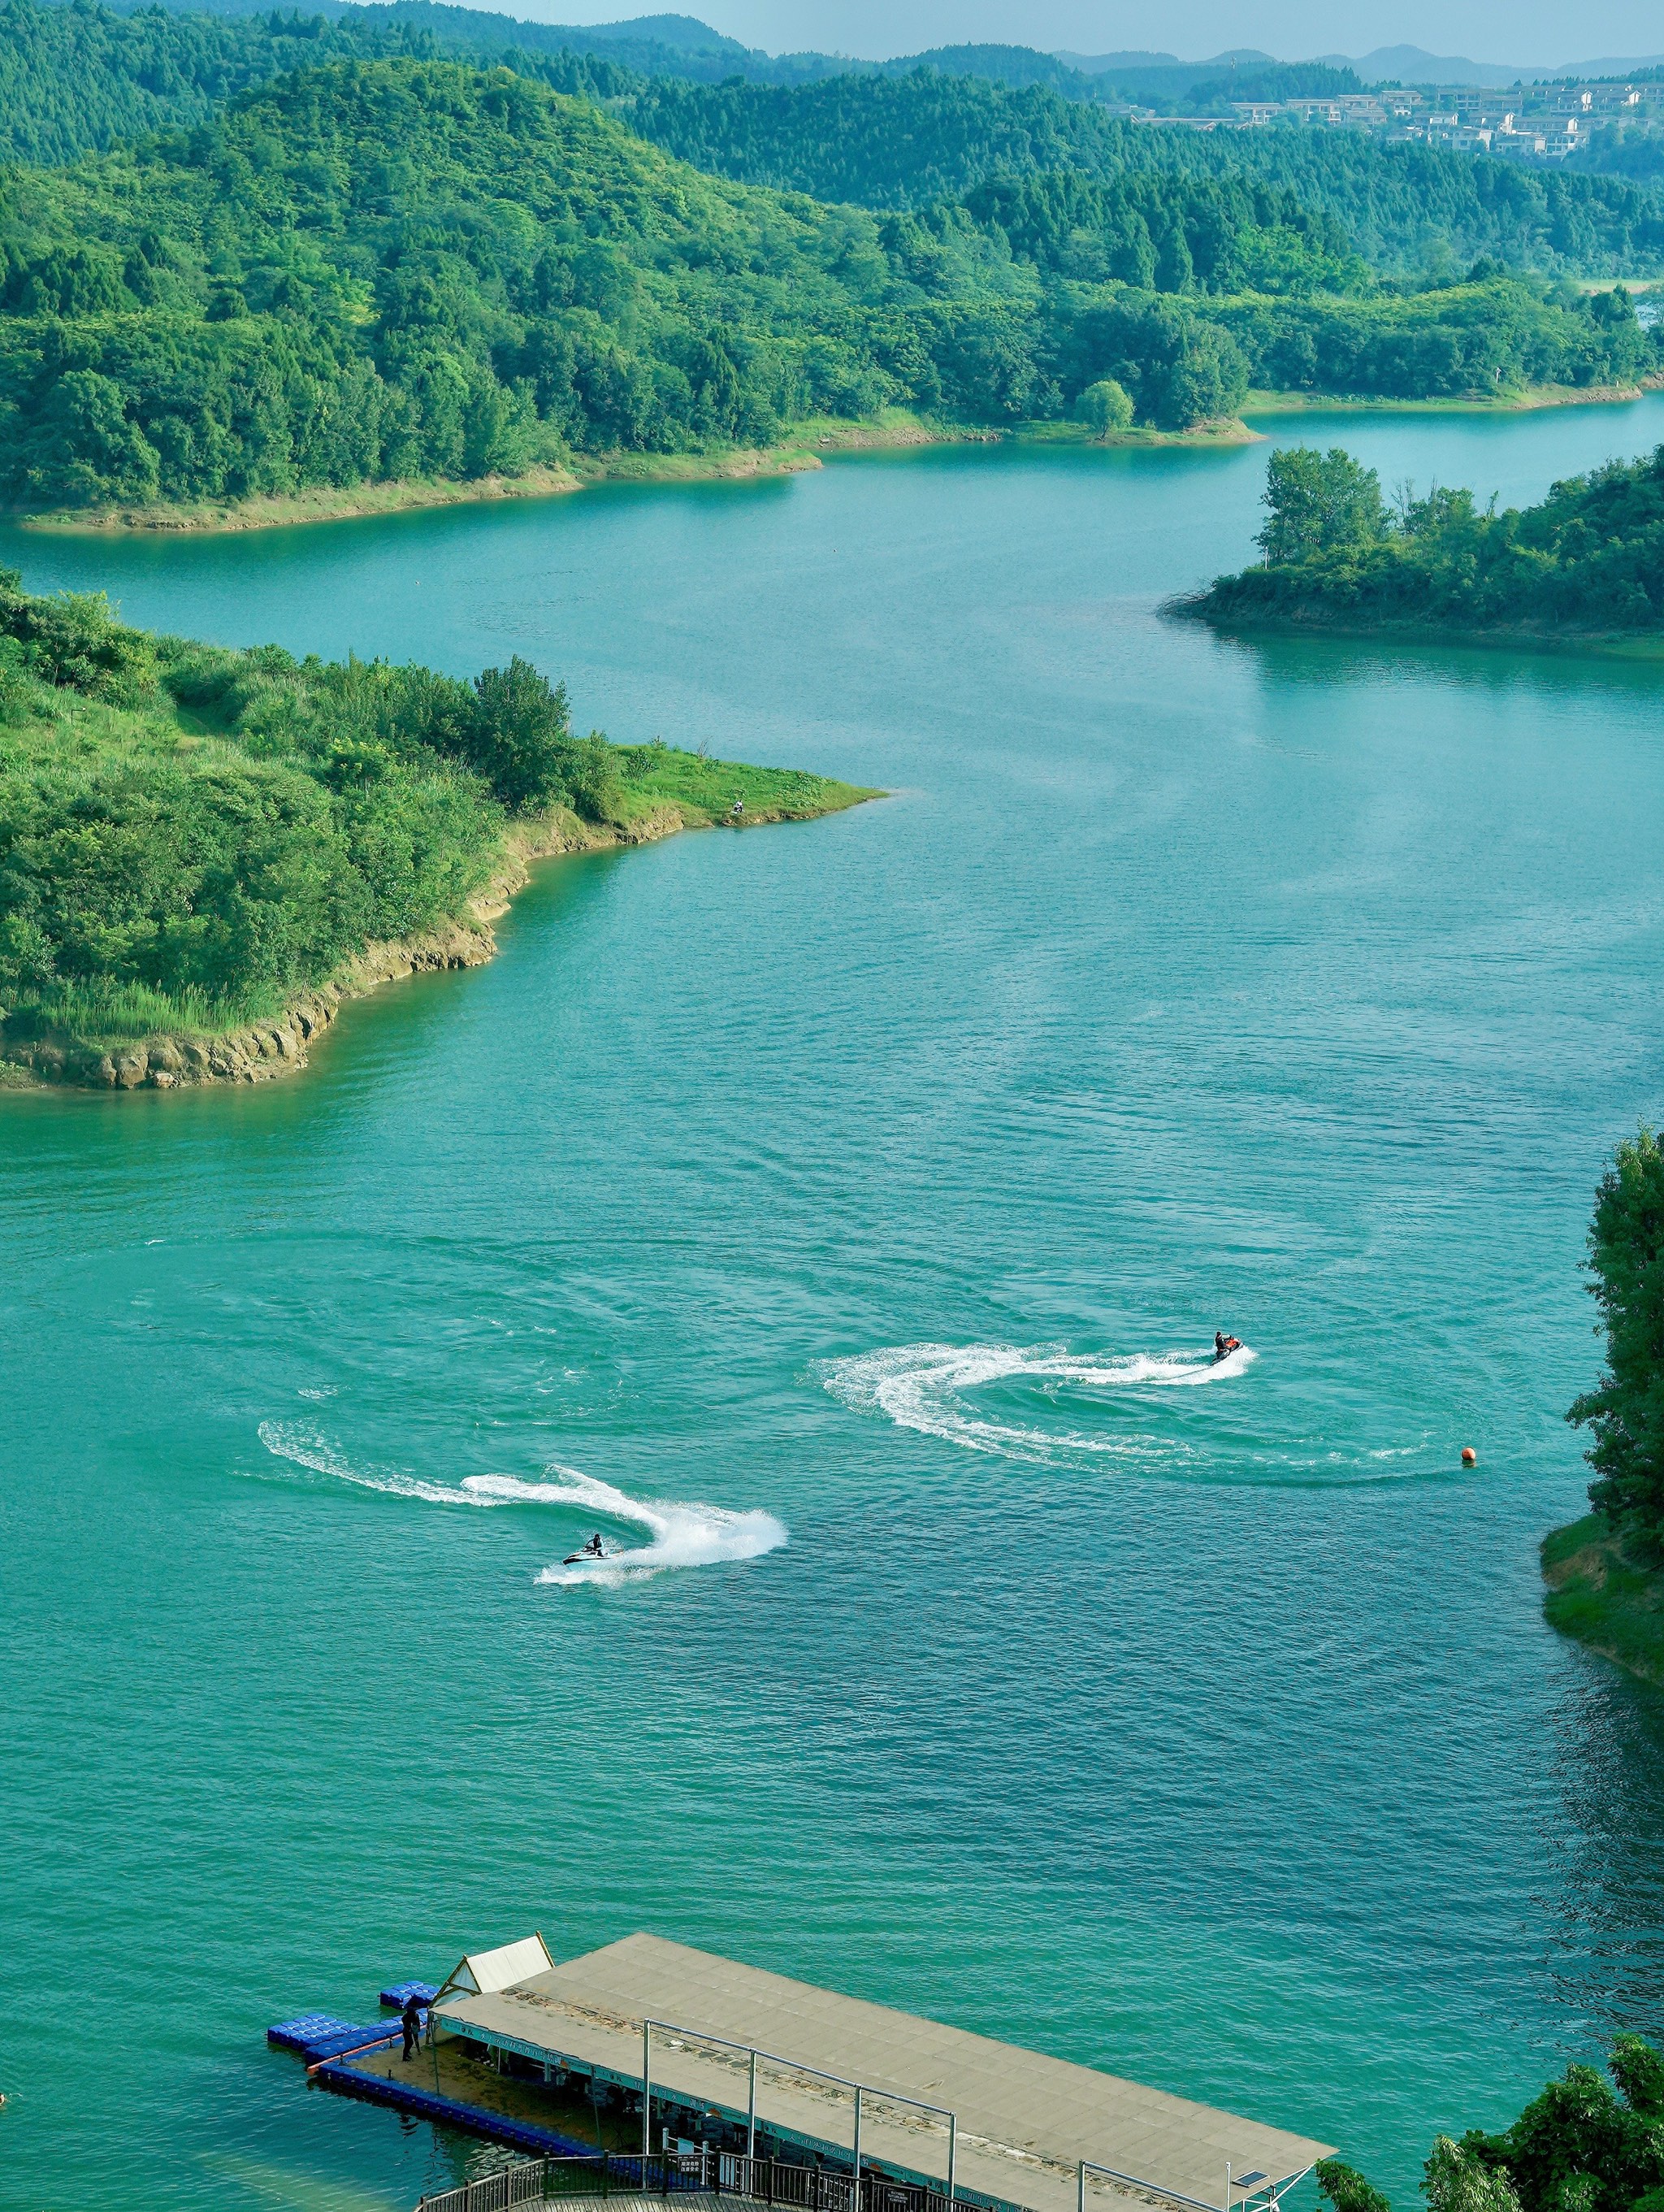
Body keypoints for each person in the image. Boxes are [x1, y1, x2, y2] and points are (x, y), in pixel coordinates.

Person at [401, 1993, 424, 2062]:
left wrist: (416, 2027)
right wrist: (408, 2028)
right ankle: (405, 2056)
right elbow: (404, 2021)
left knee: (410, 2043)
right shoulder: (408, 2017)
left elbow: (417, 2022)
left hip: (410, 2029)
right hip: (407, 2031)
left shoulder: (413, 2016)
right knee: (409, 2043)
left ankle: (407, 2054)